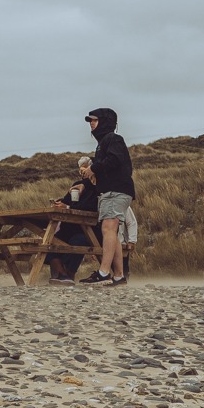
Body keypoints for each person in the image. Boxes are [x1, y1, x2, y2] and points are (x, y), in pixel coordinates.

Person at [84, 108, 136, 286]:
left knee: (108, 228)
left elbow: (114, 160)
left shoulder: (113, 139)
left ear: (105, 121)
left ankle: (104, 272)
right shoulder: (104, 142)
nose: (91, 123)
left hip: (115, 191)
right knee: (111, 231)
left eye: (94, 120)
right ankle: (119, 275)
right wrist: (93, 166)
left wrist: (94, 168)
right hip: (113, 191)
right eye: (90, 120)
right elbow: (110, 162)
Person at [47, 158, 99, 284]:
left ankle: (67, 275)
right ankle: (63, 275)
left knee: (78, 242)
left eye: (85, 169)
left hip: (86, 229)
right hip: (68, 228)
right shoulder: (76, 185)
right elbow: (66, 200)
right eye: (81, 170)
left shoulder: (97, 189)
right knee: (49, 242)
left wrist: (69, 207)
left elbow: (91, 208)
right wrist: (60, 204)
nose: (82, 173)